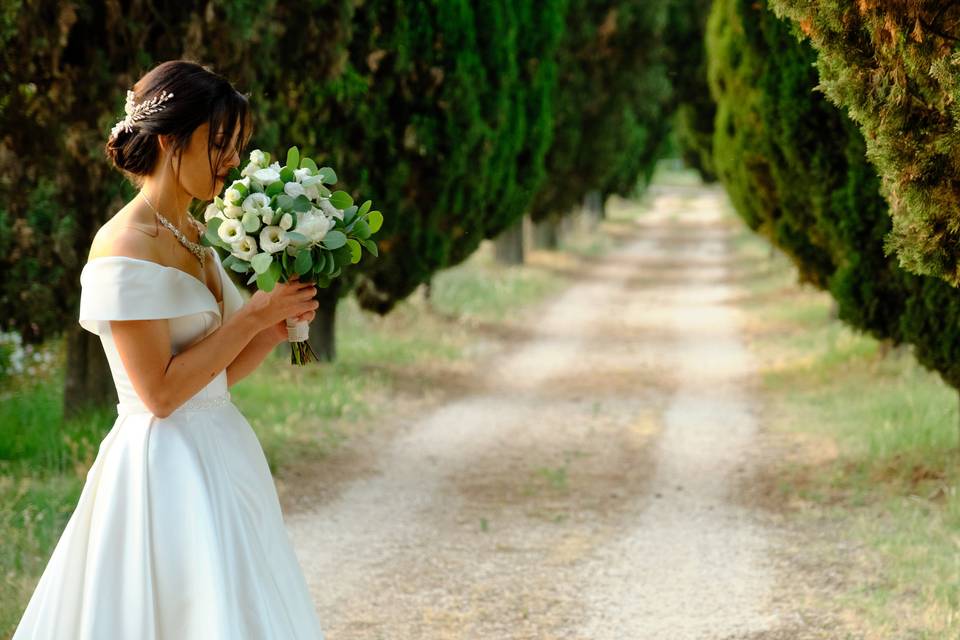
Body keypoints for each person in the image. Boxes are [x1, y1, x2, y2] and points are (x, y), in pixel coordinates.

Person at [12, 60, 325, 639]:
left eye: (235, 145)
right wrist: (251, 313)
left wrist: (271, 329)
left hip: (222, 454)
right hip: (163, 470)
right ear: (169, 141)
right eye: (220, 144)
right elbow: (159, 394)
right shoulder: (125, 244)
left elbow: (214, 379)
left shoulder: (197, 234)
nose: (231, 160)